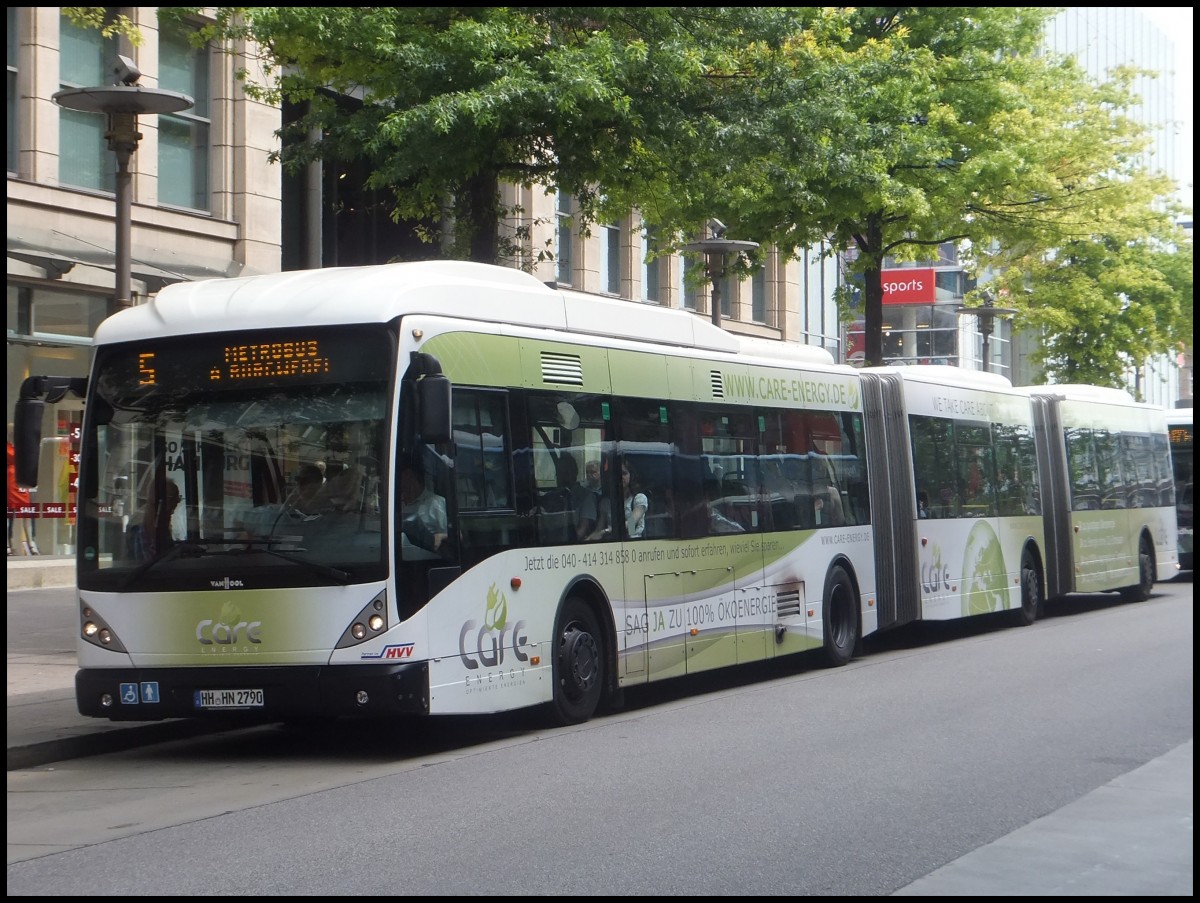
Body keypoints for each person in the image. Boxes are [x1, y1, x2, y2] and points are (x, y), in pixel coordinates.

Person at [400, 461, 448, 555]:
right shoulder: (396, 502)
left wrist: (439, 536)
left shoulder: (436, 503)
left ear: (417, 481)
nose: (404, 486)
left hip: (425, 555)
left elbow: (457, 536)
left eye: (408, 480)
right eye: (403, 482)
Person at [8, 439, 39, 556]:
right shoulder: (9, 447)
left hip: (22, 478)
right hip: (11, 478)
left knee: (26, 512)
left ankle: (31, 543)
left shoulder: (24, 446)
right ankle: (8, 544)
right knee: (9, 513)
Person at [621, 461, 648, 539]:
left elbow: (631, 525)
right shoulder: (607, 501)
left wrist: (608, 530)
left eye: (624, 473)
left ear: (631, 476)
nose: (621, 477)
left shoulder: (639, 498)